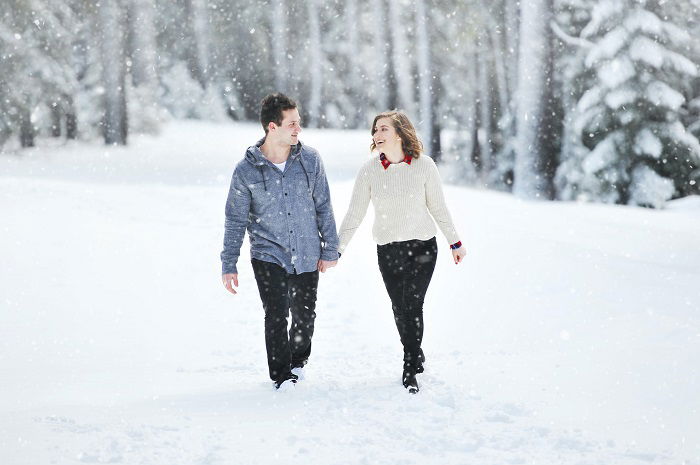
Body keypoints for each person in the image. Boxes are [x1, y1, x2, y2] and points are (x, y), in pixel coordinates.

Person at [337, 110, 466, 394]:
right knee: (399, 306)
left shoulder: (425, 166)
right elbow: (355, 213)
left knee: (413, 304)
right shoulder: (370, 170)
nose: (377, 135)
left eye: (383, 129)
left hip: (422, 248)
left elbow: (439, 207)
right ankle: (415, 350)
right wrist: (338, 248)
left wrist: (454, 242)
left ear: (399, 133)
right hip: (388, 249)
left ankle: (409, 365)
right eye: (375, 130)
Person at [221, 93, 339, 390]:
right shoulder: (246, 170)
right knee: (275, 314)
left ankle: (298, 363)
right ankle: (281, 375)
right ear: (272, 127)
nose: (298, 129)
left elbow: (323, 205)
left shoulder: (310, 160)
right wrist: (229, 263)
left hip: (307, 250)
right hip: (267, 253)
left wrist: (330, 247)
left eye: (298, 123)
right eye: (292, 124)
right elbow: (235, 218)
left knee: (304, 315)